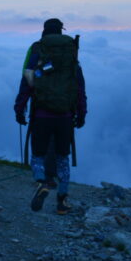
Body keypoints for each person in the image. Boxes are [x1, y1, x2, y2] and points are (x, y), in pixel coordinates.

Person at [14, 18, 87, 214]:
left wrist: (19, 109)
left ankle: (43, 181)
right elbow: (79, 86)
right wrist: (81, 113)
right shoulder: (71, 52)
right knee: (63, 158)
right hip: (65, 116)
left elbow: (28, 80)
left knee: (38, 155)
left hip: (41, 114)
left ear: (44, 31)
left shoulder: (37, 49)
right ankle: (62, 202)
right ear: (61, 31)